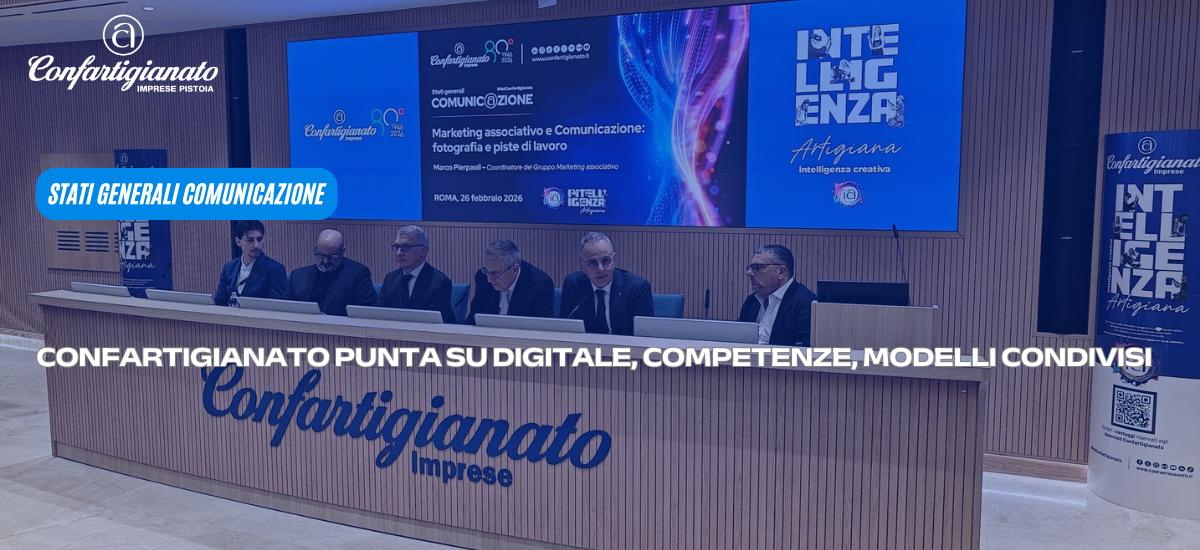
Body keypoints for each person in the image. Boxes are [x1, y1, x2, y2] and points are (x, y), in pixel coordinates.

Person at [560, 232, 653, 335]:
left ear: (613, 260)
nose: (600, 269)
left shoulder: (637, 289)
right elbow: (565, 330)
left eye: (606, 261)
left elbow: (645, 337)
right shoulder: (573, 285)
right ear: (582, 266)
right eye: (593, 263)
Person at [737, 244, 817, 346]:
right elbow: (738, 339)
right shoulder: (751, 301)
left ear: (781, 272)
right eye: (750, 267)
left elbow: (803, 349)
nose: (749, 273)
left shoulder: (806, 303)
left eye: (757, 267)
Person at [285, 229, 376, 316]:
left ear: (342, 251)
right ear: (316, 248)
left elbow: (366, 311)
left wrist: (331, 320)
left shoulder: (358, 273)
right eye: (321, 255)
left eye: (332, 257)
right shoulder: (298, 275)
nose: (325, 261)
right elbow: (284, 308)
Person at [465, 238, 555, 324]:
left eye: (495, 273)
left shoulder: (540, 284)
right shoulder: (482, 277)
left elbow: (541, 328)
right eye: (487, 271)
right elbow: (472, 320)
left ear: (514, 270)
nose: (489, 279)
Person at [378, 225, 456, 323]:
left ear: (424, 251)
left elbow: (436, 323)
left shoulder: (440, 283)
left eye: (406, 247)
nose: (399, 253)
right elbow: (379, 314)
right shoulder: (390, 279)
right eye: (397, 247)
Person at [214, 220, 286, 306]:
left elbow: (276, 306)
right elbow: (219, 302)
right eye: (250, 240)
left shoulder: (274, 269)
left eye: (259, 239)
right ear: (238, 242)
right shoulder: (229, 267)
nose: (256, 245)